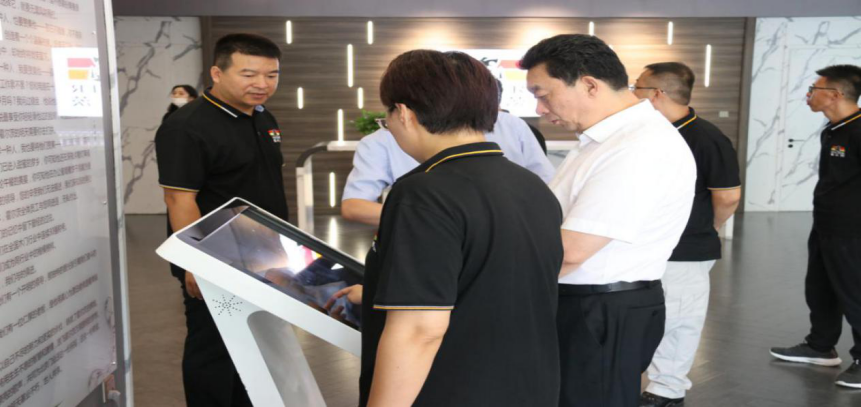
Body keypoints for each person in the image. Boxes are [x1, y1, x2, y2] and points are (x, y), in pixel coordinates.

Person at [329, 49, 563, 407]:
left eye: (386, 117)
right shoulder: (529, 185)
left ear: (404, 113)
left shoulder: (423, 193)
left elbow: (419, 330)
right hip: (528, 383)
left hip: (453, 386)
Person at [520, 34, 697, 407]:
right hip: (586, 303)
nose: (539, 108)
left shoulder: (639, 146)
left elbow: (572, 250)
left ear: (589, 85)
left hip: (600, 309)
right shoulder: (605, 140)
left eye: (543, 94)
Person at [154, 33, 286, 407]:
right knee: (213, 349)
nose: (262, 84)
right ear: (217, 73)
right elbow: (179, 198)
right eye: (249, 74)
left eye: (271, 75)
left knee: (253, 346)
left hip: (265, 254)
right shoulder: (187, 126)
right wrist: (197, 263)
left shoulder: (263, 116)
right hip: (218, 258)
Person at [631, 62, 741, 407]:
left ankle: (667, 391)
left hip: (686, 248)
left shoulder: (706, 137)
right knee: (652, 316)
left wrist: (708, 228)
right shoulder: (650, 133)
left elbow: (728, 196)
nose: (632, 94)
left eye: (637, 87)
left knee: (679, 318)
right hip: (649, 245)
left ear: (656, 93)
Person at [341, 78, 555, 226]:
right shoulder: (386, 150)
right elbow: (354, 206)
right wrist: (433, 217)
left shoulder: (512, 125)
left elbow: (547, 186)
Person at [770, 64, 861, 389]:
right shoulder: (833, 129)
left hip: (853, 232)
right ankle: (821, 346)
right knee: (820, 288)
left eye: (814, 89)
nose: (808, 95)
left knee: (855, 292)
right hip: (826, 225)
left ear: (835, 94)